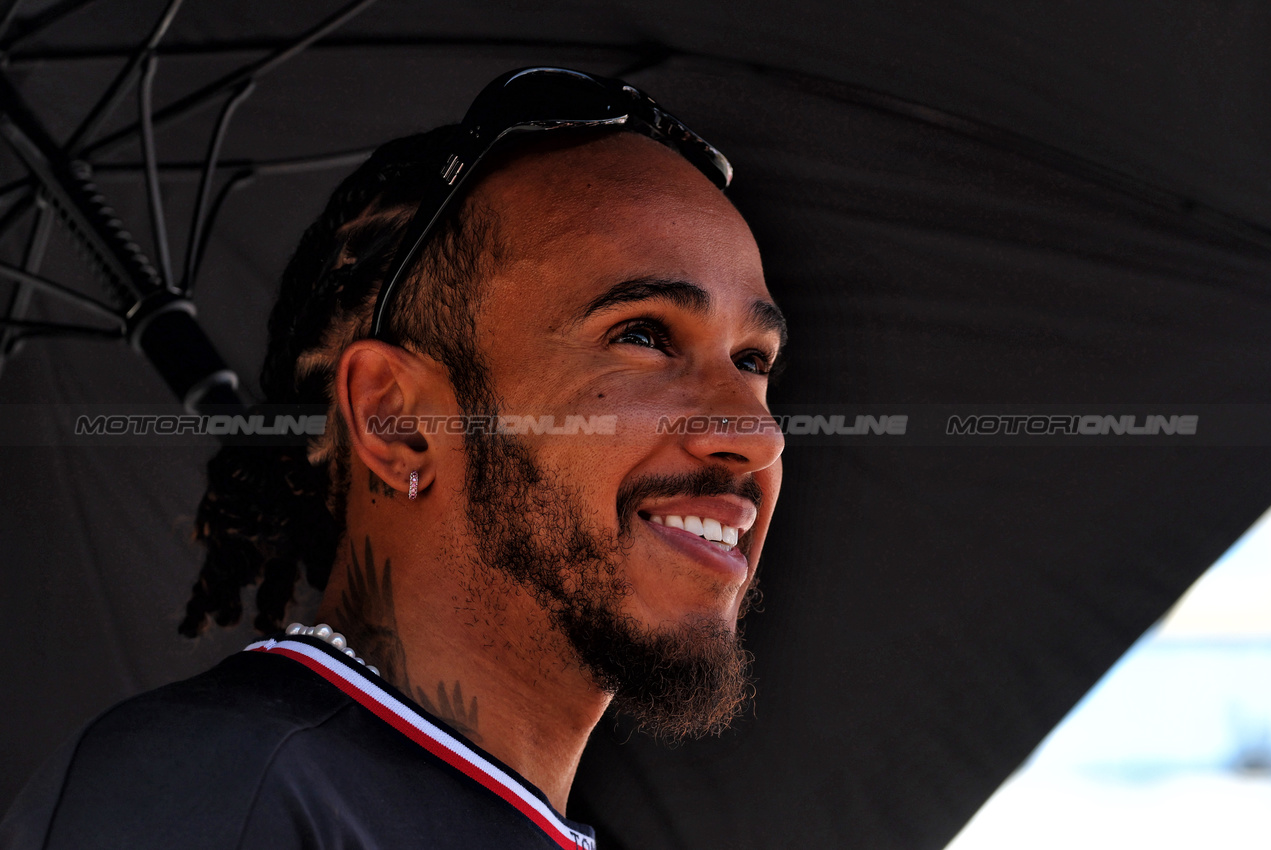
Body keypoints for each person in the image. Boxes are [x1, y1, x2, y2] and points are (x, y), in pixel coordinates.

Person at [0, 67, 786, 849]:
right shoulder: (218, 784)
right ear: (397, 420)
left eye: (753, 360)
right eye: (642, 336)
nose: (757, 435)